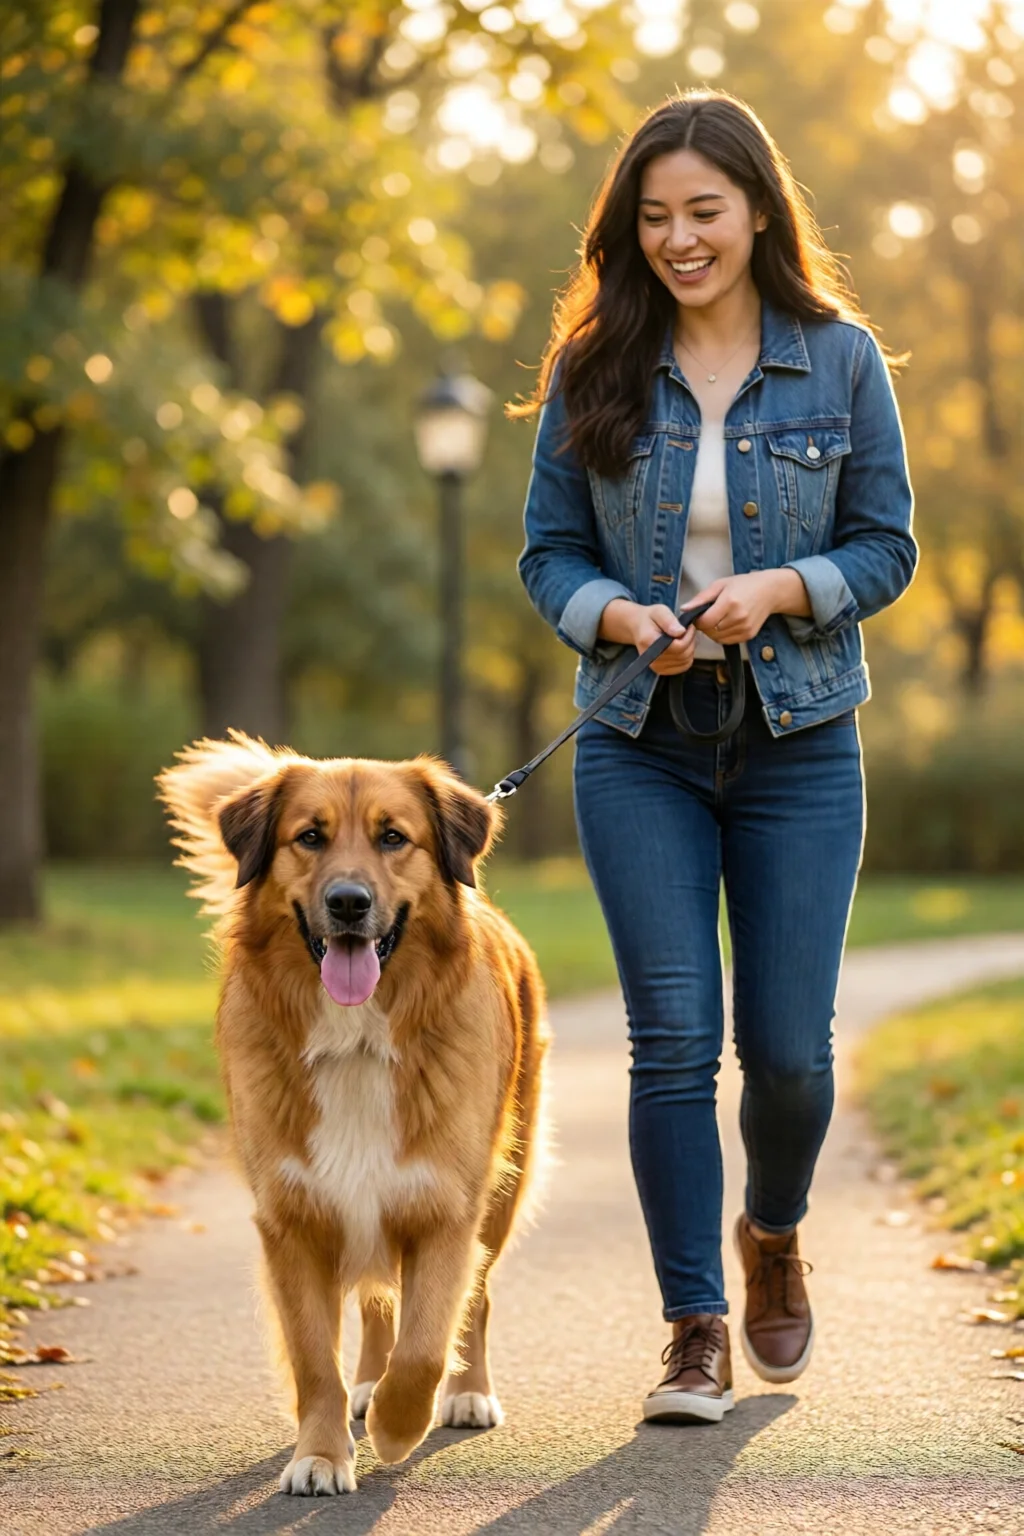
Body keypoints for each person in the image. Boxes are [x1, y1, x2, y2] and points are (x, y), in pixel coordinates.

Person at [515, 90, 917, 1425]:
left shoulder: (840, 360)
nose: (680, 239)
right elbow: (547, 554)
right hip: (641, 746)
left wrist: (783, 589)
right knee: (674, 1043)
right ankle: (693, 1328)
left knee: (790, 1053)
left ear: (757, 212)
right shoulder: (594, 368)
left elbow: (887, 547)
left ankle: (774, 1232)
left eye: (704, 211)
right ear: (628, 231)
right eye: (655, 217)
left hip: (802, 743)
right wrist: (620, 617)